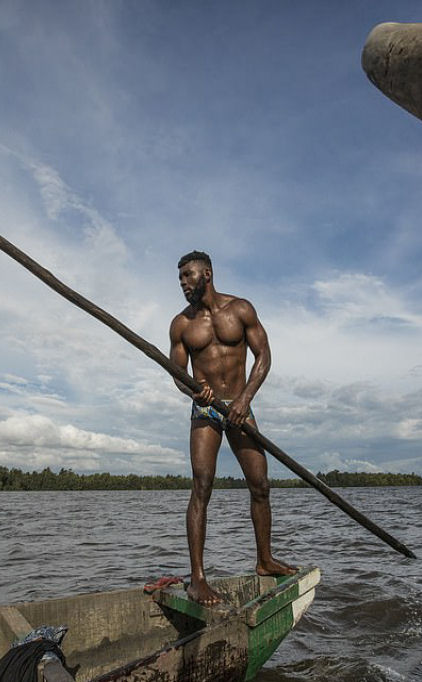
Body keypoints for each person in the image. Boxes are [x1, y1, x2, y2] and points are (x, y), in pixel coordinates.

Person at [168, 250, 295, 605]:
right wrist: (194, 388)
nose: (183, 284)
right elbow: (176, 373)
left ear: (206, 274)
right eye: (180, 278)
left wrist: (244, 399)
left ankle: (265, 560)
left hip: (241, 408)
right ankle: (198, 579)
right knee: (202, 486)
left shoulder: (240, 309)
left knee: (261, 485)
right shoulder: (181, 324)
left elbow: (264, 355)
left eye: (188, 276)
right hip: (206, 411)